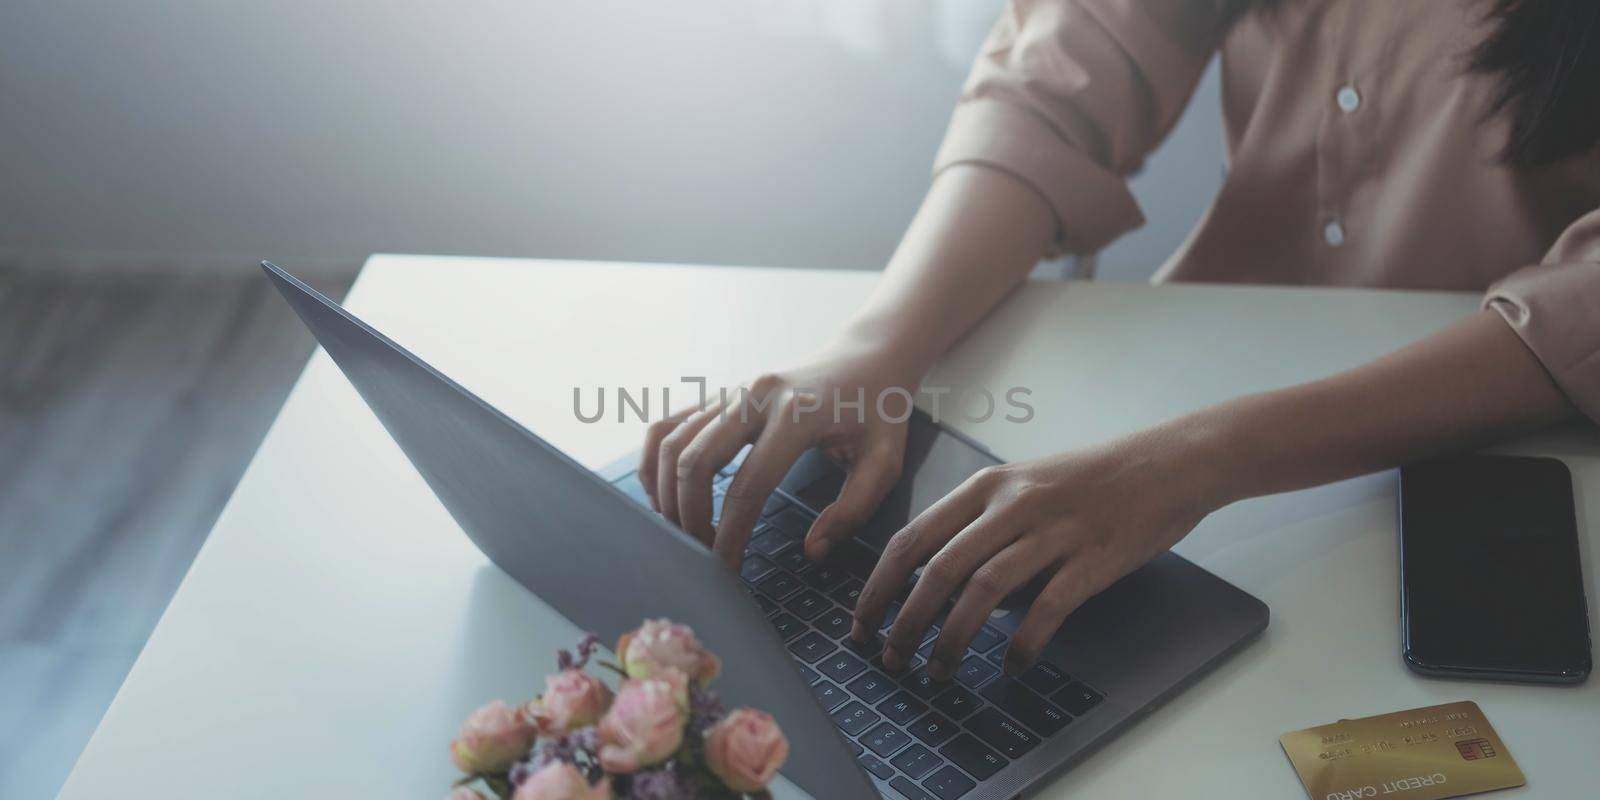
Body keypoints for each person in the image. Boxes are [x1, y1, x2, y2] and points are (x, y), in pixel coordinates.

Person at [639, 0, 1600, 683]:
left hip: (1502, 453)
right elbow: (1061, 83)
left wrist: (1191, 463)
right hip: (1169, 395)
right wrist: (877, 348)